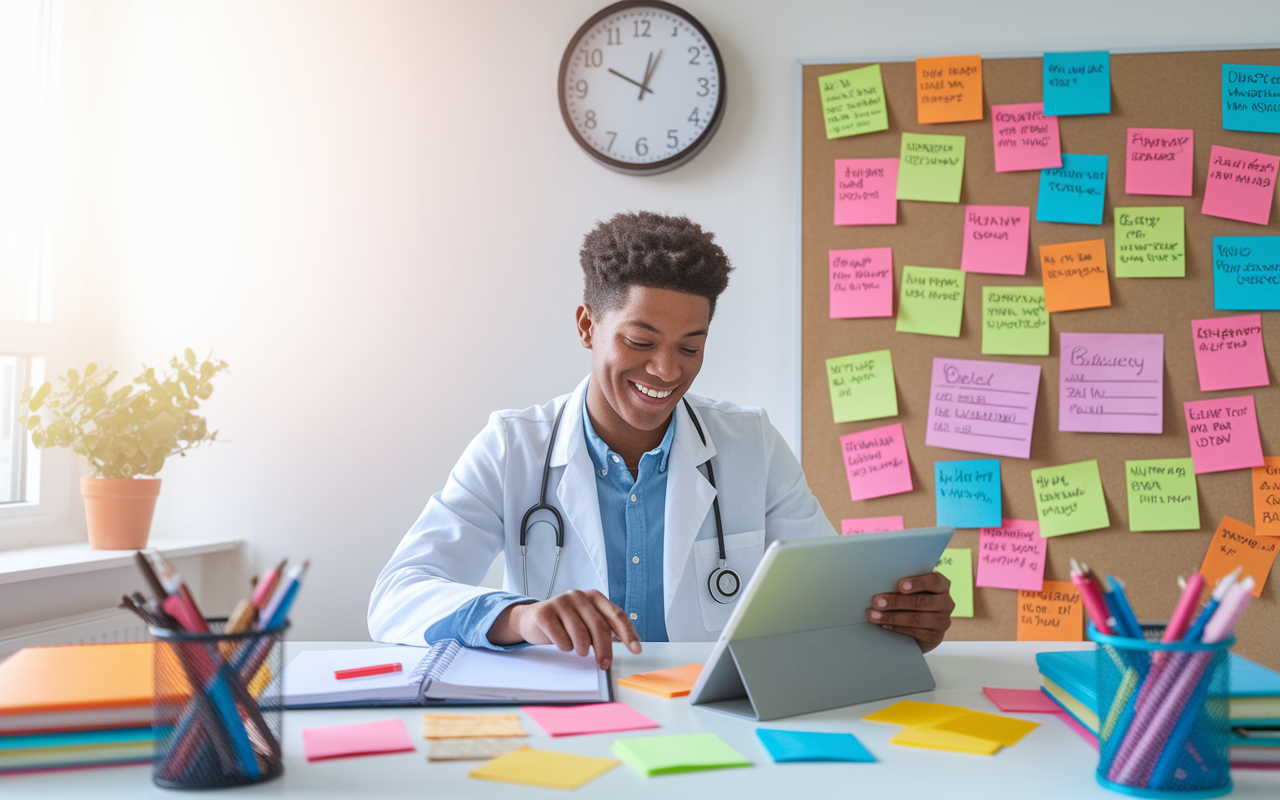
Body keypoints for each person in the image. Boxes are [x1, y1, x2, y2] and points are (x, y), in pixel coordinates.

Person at [368, 212, 953, 669]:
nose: (667, 370)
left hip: (709, 722)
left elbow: (828, 598)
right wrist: (520, 618)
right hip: (568, 721)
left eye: (690, 347)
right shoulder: (511, 447)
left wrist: (898, 620)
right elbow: (397, 596)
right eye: (641, 341)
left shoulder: (751, 444)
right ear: (586, 327)